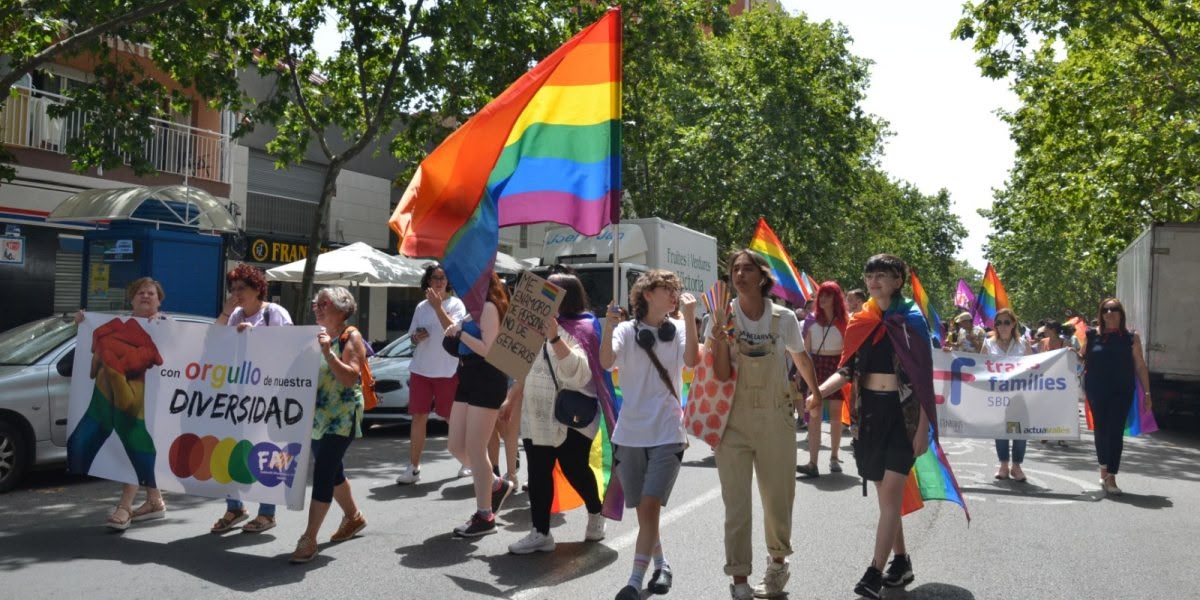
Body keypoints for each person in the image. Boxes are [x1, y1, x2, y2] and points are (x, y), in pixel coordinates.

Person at [809, 254, 947, 599]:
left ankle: (873, 571)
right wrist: (817, 394)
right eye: (869, 275)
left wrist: (923, 430)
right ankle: (901, 561)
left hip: (904, 418)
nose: (873, 281)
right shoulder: (861, 321)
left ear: (898, 281)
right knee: (886, 495)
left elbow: (924, 380)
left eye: (882, 275)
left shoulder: (912, 322)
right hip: (868, 417)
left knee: (889, 497)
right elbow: (848, 370)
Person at [708, 251, 819, 600]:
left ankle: (776, 566)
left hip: (776, 418)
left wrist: (815, 393)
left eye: (747, 268)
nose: (739, 274)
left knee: (777, 499)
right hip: (733, 421)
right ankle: (739, 580)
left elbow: (800, 358)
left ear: (762, 276)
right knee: (736, 505)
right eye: (735, 269)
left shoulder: (784, 319)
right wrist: (719, 337)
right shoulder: (720, 316)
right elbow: (722, 374)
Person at [601, 270, 699, 600]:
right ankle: (663, 564)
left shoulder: (681, 328)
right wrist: (607, 327)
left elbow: (692, 362)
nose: (674, 294)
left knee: (651, 505)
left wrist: (689, 315)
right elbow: (604, 360)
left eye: (676, 289)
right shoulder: (627, 331)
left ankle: (633, 581)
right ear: (646, 294)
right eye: (666, 289)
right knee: (644, 512)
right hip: (629, 434)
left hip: (669, 433)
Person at [499, 272, 611, 554]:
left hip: (570, 416)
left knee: (575, 470)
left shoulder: (582, 327)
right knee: (538, 473)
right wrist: (510, 400)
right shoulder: (533, 324)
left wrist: (555, 338)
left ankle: (596, 512)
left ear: (566, 296)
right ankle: (540, 532)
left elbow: (578, 374)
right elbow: (521, 367)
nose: (543, 294)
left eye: (552, 290)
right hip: (536, 415)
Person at [68, 277, 169, 530]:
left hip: (150, 400)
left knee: (131, 433)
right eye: (140, 293)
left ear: (159, 300)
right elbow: (91, 362)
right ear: (132, 299)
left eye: (151, 293)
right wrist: (81, 323)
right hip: (106, 401)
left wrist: (160, 329)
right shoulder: (112, 325)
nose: (145, 296)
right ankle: (154, 499)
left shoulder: (166, 326)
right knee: (87, 441)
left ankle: (125, 505)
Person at [208, 264, 293, 534]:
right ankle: (235, 507)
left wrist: (256, 336)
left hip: (270, 398)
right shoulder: (232, 315)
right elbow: (211, 340)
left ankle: (267, 513)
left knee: (269, 452)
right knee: (229, 449)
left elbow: (290, 348)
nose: (236, 294)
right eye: (232, 289)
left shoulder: (274, 313)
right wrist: (226, 314)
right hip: (239, 396)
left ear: (258, 289)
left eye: (242, 288)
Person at [290, 286, 369, 563]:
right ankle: (354, 518)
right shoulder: (314, 336)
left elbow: (350, 379)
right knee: (333, 471)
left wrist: (328, 353)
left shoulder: (351, 337)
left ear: (341, 308)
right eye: (316, 303)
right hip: (319, 415)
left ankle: (309, 538)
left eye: (323, 303)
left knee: (323, 471)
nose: (317, 307)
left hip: (343, 415)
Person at [444, 273, 514, 537]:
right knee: (455, 445)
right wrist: (454, 331)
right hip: (467, 378)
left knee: (475, 448)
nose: (460, 289)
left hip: (487, 377)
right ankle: (495, 483)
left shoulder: (488, 307)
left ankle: (485, 516)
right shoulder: (471, 310)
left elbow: (489, 349)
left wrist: (461, 334)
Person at [396, 264, 470, 485]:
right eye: (435, 278)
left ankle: (467, 460)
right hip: (421, 369)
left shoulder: (456, 304)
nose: (439, 282)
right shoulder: (421, 307)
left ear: (448, 282)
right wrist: (417, 336)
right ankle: (414, 467)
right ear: (428, 281)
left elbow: (454, 331)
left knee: (451, 419)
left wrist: (438, 307)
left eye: (443, 278)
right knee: (419, 417)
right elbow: (411, 336)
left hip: (447, 370)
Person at [1082, 298, 1152, 496]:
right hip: (1096, 390)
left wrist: (1147, 393)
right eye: (1105, 309)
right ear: (1101, 314)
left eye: (1114, 309)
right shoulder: (1091, 335)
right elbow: (1081, 358)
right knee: (1101, 430)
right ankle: (1103, 466)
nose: (1109, 313)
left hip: (1122, 391)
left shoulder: (1131, 337)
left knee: (1115, 431)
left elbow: (1139, 365)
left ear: (1121, 313)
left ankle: (1111, 475)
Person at [798, 281, 849, 478]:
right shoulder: (811, 320)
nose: (824, 299)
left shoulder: (845, 321)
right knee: (814, 415)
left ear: (836, 298)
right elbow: (806, 349)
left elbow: (848, 349)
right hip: (816, 367)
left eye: (828, 295)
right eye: (821, 295)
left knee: (836, 416)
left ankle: (834, 457)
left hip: (837, 368)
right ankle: (812, 463)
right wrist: (800, 372)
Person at [984, 308, 1030, 481]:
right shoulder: (988, 344)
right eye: (998, 322)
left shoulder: (1023, 344)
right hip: (997, 395)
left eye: (1006, 322)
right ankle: (1003, 464)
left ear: (1013, 324)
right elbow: (979, 366)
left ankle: (1016, 466)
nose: (1002, 326)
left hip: (1019, 394)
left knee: (1020, 430)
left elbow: (1034, 366)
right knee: (1000, 430)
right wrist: (949, 353)